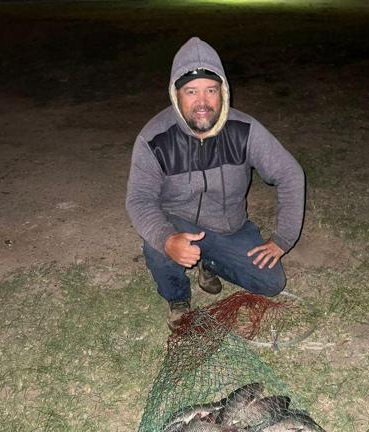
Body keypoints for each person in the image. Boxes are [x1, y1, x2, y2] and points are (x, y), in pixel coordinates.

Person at [127, 37, 306, 327]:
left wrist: (283, 239)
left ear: (223, 91)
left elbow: (290, 174)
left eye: (211, 90)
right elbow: (139, 198)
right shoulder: (154, 138)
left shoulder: (245, 130)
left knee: (272, 282)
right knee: (156, 241)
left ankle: (208, 261)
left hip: (230, 229)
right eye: (191, 91)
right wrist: (165, 238)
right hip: (179, 223)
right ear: (176, 94)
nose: (202, 102)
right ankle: (177, 296)